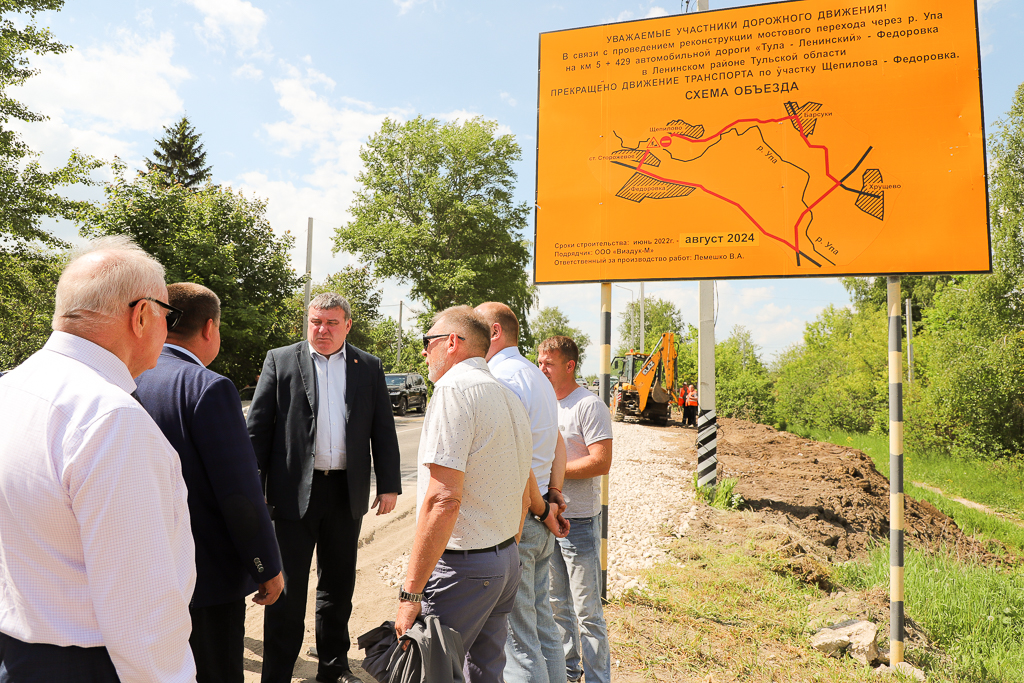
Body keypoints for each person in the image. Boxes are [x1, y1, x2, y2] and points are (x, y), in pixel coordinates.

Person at [0, 236, 196, 682]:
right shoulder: (111, 420)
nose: (167, 328)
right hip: (89, 665)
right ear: (142, 315)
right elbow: (139, 610)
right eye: (168, 315)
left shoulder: (12, 387)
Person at [247, 292, 402, 683]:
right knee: (287, 591)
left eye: (332, 323)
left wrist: (389, 485)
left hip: (344, 493)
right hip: (291, 495)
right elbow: (258, 432)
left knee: (338, 586)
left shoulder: (367, 366)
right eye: (316, 321)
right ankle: (277, 672)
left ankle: (333, 668)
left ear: (347, 325)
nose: (322, 330)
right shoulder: (281, 360)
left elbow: (383, 429)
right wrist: (253, 489)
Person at [134, 282, 285, 683]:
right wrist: (265, 565)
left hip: (139, 567)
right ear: (209, 328)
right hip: (207, 576)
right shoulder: (207, 387)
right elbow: (238, 492)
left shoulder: (128, 379)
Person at [394, 306, 533, 683]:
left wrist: (410, 595)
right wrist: (504, 551)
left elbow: (443, 500)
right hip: (504, 562)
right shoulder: (508, 396)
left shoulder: (454, 390)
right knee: (485, 673)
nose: (424, 352)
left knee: (430, 674)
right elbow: (522, 492)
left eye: (428, 342)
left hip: (464, 569)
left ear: (452, 343)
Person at [474, 302, 569, 683]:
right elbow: (557, 442)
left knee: (518, 642)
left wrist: (543, 508)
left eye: (475, 329)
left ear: (494, 332)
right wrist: (554, 493)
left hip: (522, 521)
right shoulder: (536, 376)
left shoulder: (502, 379)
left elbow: (516, 458)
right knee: (543, 628)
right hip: (540, 517)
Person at [537, 336, 614, 683]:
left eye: (549, 363)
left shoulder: (589, 405)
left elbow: (601, 462)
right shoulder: (542, 403)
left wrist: (552, 470)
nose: (542, 368)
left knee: (588, 614)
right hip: (546, 520)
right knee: (556, 607)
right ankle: (569, 673)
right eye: (539, 361)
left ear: (569, 366)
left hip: (579, 522)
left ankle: (598, 678)